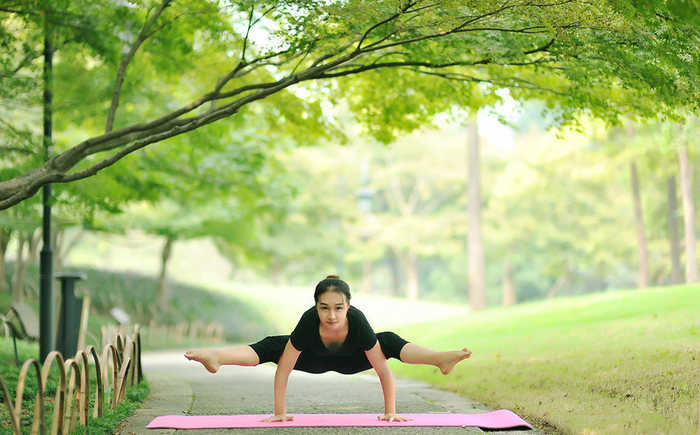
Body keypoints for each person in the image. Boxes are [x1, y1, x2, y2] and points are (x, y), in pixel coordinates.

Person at [185, 275, 472, 422]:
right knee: (276, 345)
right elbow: (284, 367)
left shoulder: (357, 320)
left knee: (388, 341)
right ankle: (217, 356)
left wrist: (390, 412)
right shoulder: (309, 320)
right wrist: (279, 412)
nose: (331, 315)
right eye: (324, 308)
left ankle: (439, 359)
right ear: (315, 306)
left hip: (354, 361)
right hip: (311, 360)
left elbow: (382, 368)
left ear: (348, 306)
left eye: (339, 308)